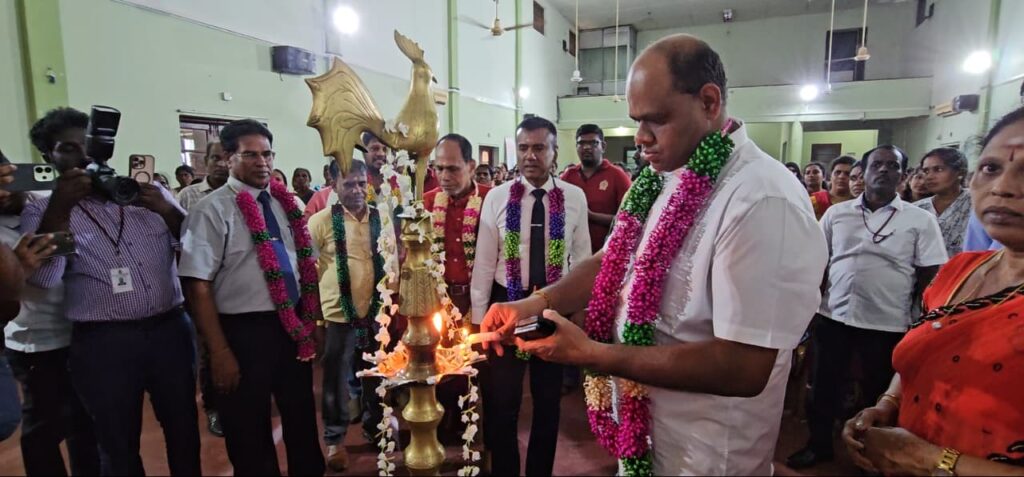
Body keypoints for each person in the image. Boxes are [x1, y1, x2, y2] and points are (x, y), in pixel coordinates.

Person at [482, 35, 829, 475]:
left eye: (656, 120)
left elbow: (744, 365)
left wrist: (593, 354)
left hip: (707, 454)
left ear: (708, 102)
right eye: (636, 121)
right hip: (643, 432)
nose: (640, 137)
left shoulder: (762, 197)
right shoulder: (657, 178)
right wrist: (535, 303)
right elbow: (611, 259)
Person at [841, 105, 1024, 477]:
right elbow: (929, 348)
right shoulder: (960, 270)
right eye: (991, 168)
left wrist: (930, 459)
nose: (1002, 187)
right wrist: (888, 404)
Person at [22, 107, 200, 475]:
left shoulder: (147, 195)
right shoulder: (42, 211)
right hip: (104, 342)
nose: (83, 155)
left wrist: (169, 211)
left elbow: (199, 253)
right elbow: (45, 278)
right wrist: (60, 208)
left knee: (183, 428)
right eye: (67, 148)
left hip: (170, 330)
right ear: (48, 157)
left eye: (87, 145)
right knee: (117, 443)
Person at [788, 145, 947, 469]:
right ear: (865, 171)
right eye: (877, 165)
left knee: (877, 392)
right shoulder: (837, 214)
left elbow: (930, 273)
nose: (884, 170)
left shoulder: (920, 220)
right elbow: (818, 261)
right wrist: (810, 307)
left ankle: (873, 456)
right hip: (834, 316)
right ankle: (819, 445)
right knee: (824, 387)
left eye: (893, 166)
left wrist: (919, 318)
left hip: (887, 322)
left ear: (903, 175)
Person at [179, 119, 324, 476]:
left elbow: (304, 264)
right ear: (228, 158)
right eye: (250, 155)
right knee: (248, 427)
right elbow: (197, 286)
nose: (262, 162)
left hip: (291, 326)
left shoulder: (285, 204)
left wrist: (312, 321)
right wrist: (219, 351)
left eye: (267, 154)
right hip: (242, 331)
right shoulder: (211, 210)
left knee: (301, 416)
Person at [471, 116, 591, 476]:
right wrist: (478, 319)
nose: (530, 156)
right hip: (506, 304)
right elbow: (484, 262)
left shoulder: (574, 197)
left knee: (548, 401)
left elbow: (582, 258)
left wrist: (580, 309)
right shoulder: (496, 197)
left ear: (554, 152)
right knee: (503, 402)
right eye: (523, 148)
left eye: (539, 148)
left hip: (553, 308)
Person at [2, 190, 100, 476]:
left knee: (85, 424)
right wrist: (17, 269)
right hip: (36, 340)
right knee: (44, 428)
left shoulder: (50, 202)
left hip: (82, 331)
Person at [308, 159, 383, 472]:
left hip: (376, 311)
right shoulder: (321, 221)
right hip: (338, 313)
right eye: (348, 184)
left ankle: (376, 427)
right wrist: (317, 320)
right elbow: (308, 271)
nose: (356, 190)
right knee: (336, 380)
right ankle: (335, 440)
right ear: (334, 185)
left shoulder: (380, 217)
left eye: (361, 183)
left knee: (376, 373)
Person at [561, 124, 633, 254]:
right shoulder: (568, 176)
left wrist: (591, 216)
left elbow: (630, 219)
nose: (586, 147)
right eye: (581, 143)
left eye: (593, 143)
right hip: (573, 254)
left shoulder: (617, 176)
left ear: (603, 146)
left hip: (607, 254)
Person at [915, 147, 972, 257]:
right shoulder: (918, 208)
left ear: (960, 172)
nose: (929, 177)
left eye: (938, 169)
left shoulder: (976, 203)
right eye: (926, 171)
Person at [176, 142, 229, 212]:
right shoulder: (187, 195)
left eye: (227, 159)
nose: (221, 164)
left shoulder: (240, 194)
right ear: (206, 161)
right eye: (215, 158)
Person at [809, 155, 856, 220]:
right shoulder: (815, 200)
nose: (841, 176)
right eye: (837, 172)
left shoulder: (859, 204)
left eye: (847, 173)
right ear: (830, 176)